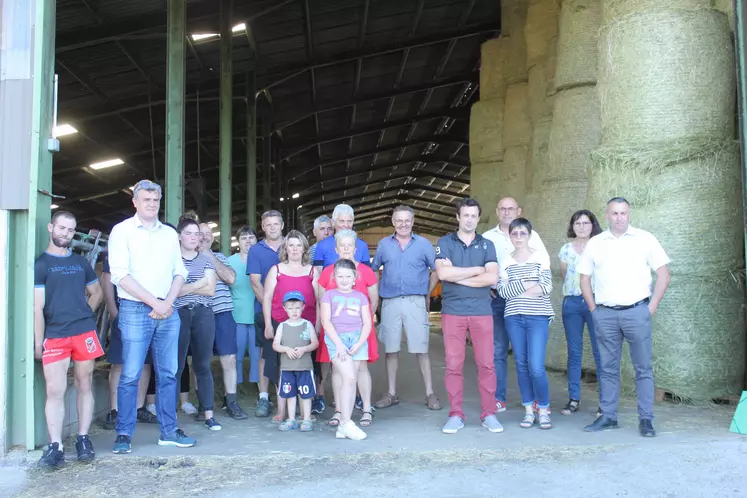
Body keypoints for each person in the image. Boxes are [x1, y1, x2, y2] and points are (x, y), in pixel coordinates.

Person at [108, 179, 195, 454]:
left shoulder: (169, 234)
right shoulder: (121, 232)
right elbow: (120, 275)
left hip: (168, 309)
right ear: (135, 201)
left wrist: (167, 301)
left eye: (155, 200)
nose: (151, 204)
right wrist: (155, 303)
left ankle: (169, 431)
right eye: (146, 199)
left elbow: (180, 271)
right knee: (131, 374)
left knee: (169, 373)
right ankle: (124, 433)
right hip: (136, 309)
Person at [579, 198, 671, 438]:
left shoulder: (645, 239)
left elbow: (663, 274)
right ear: (607, 215)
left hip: (636, 311)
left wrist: (651, 307)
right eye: (614, 213)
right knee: (608, 369)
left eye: (623, 213)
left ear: (629, 214)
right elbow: (584, 278)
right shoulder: (596, 243)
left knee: (643, 368)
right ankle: (608, 416)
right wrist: (593, 310)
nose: (619, 217)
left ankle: (646, 420)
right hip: (606, 314)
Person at [34, 211, 103, 468]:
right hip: (55, 335)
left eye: (71, 230)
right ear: (51, 227)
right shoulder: (41, 264)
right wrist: (38, 341)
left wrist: (85, 314)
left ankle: (83, 439)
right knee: (55, 389)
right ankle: (56, 446)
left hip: (84, 332)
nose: (66, 234)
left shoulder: (81, 263)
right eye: (62, 228)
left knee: (85, 383)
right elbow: (36, 308)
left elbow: (96, 293)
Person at [435, 198, 501, 434]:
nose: (470, 219)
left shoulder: (488, 245)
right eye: (466, 215)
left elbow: (492, 278)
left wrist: (458, 275)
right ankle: (455, 414)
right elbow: (443, 274)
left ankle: (489, 413)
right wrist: (476, 270)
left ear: (478, 218)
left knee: (487, 364)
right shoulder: (444, 242)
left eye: (474, 215)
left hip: (482, 312)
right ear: (458, 217)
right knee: (454, 364)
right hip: (453, 312)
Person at [371, 205, 441, 411]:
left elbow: (436, 271)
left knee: (422, 349)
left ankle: (430, 394)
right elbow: (374, 269)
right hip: (391, 301)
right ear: (393, 222)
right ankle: (391, 393)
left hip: (415, 301)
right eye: (398, 220)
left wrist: (426, 293)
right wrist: (375, 295)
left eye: (407, 220)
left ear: (413, 222)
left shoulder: (424, 244)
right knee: (391, 349)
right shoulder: (384, 244)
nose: (403, 224)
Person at [482, 196, 549, 413]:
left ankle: (537, 401)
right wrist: (490, 286)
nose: (507, 212)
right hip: (497, 300)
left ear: (518, 211)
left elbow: (544, 272)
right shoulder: (486, 237)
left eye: (511, 208)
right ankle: (499, 398)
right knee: (498, 350)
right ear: (497, 210)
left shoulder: (533, 236)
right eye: (503, 208)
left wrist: (516, 285)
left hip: (529, 303)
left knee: (531, 358)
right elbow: (482, 268)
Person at [317, 230, 379, 428]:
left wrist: (366, 326)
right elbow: (322, 301)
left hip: (360, 329)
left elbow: (373, 301)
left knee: (361, 367)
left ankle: (366, 408)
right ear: (336, 248)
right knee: (338, 368)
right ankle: (340, 411)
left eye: (349, 245)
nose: (345, 249)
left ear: (356, 247)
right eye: (341, 245)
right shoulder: (327, 272)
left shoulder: (366, 272)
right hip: (336, 331)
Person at [498, 218, 554, 430]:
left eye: (523, 233)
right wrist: (528, 283)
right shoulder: (505, 260)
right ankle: (529, 410)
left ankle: (544, 408)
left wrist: (517, 287)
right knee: (521, 364)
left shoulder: (540, 256)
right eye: (515, 233)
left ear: (530, 235)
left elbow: (546, 286)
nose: (519, 237)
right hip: (514, 317)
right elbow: (503, 292)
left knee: (536, 366)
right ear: (510, 236)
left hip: (538, 316)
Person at [262, 230, 319, 422]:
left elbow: (320, 300)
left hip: (306, 323)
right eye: (291, 245)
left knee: (307, 367)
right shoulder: (276, 269)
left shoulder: (312, 270)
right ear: (285, 248)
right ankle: (281, 410)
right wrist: (269, 324)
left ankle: (308, 409)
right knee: (280, 368)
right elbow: (267, 297)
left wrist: (318, 326)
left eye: (298, 245)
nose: (294, 249)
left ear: (304, 248)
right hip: (281, 323)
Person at [173, 215, 221, 431]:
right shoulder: (172, 260)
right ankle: (170, 416)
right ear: (179, 236)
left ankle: (208, 413)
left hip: (203, 313)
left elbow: (211, 290)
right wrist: (199, 282)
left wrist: (186, 286)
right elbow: (171, 292)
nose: (194, 237)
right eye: (189, 233)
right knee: (176, 365)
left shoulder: (206, 260)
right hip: (179, 314)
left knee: (202, 364)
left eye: (197, 234)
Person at [101, 257, 157, 430]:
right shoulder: (119, 246)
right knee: (119, 362)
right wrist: (113, 312)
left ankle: (138, 408)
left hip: (149, 311)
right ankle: (115, 410)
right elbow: (106, 280)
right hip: (124, 311)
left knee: (146, 362)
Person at [320, 259, 373, 441]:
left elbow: (367, 321)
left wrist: (360, 342)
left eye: (347, 276)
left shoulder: (360, 297)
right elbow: (326, 321)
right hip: (337, 339)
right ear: (334, 277)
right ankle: (345, 422)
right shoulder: (328, 295)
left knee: (353, 379)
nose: (343, 280)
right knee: (348, 377)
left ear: (354, 277)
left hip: (357, 338)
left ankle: (346, 423)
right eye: (340, 276)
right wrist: (339, 344)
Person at [199, 223, 247, 419]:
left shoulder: (219, 257)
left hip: (223, 312)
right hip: (201, 313)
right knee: (200, 361)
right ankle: (204, 404)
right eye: (201, 234)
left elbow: (230, 278)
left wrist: (208, 255)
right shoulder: (186, 258)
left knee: (230, 358)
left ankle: (231, 401)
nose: (205, 237)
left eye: (208, 234)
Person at [558, 210, 603, 417]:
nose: (582, 226)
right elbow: (565, 275)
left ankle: (605, 401)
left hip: (595, 301)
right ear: (572, 226)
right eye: (578, 223)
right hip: (573, 303)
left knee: (600, 351)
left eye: (586, 223)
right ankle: (574, 398)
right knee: (574, 352)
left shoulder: (601, 247)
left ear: (593, 225)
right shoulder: (566, 249)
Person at [247, 210, 285, 417]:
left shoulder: (291, 245)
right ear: (263, 227)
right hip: (265, 311)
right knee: (265, 354)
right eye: (268, 224)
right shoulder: (255, 250)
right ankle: (263, 397)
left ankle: (287, 396)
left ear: (282, 225)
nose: (272, 227)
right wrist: (270, 310)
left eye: (276, 224)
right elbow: (255, 282)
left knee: (289, 354)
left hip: (291, 312)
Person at [272, 291, 319, 432]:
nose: (294, 311)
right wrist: (286, 349)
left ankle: (306, 419)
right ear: (285, 308)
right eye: (290, 308)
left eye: (297, 308)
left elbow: (315, 343)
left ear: (303, 307)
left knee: (306, 394)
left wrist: (304, 349)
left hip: (304, 367)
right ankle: (291, 418)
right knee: (290, 394)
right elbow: (275, 345)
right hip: (287, 367)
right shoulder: (282, 326)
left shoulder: (307, 324)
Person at [228, 226, 261, 390]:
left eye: (251, 237)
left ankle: (258, 387)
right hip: (237, 315)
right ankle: (236, 387)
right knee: (237, 354)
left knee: (256, 355)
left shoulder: (261, 259)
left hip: (256, 315)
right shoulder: (229, 261)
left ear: (256, 240)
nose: (248, 240)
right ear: (238, 242)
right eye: (244, 238)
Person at [313, 204, 371, 269]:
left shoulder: (362, 245)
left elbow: (367, 273)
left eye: (349, 221)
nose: (346, 225)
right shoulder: (322, 245)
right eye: (341, 221)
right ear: (333, 222)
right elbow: (318, 275)